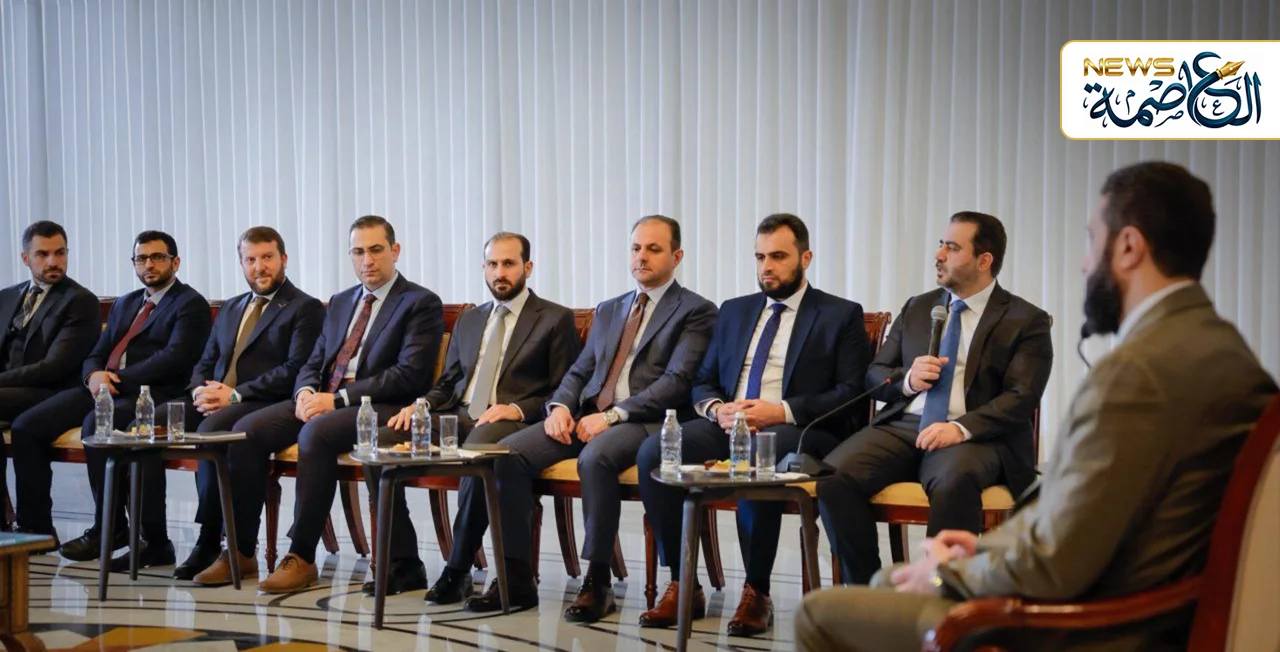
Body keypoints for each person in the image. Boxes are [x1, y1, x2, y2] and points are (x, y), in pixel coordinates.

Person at [795, 161, 1279, 652]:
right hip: (1130, 599)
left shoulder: (1137, 375)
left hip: (1086, 626)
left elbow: (1057, 556)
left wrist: (950, 574)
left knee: (821, 613)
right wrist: (983, 547)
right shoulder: (1223, 352)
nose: (1085, 264)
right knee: (878, 569)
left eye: (1092, 241)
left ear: (1129, 246)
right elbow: (1082, 517)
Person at [450, 215, 717, 622]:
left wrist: (612, 416)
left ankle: (597, 581)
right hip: (587, 416)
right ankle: (517, 577)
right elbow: (579, 371)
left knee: (595, 458)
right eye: (636, 248)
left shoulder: (696, 311)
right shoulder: (610, 309)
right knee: (506, 455)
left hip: (647, 421)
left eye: (653, 249)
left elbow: (676, 382)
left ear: (676, 256)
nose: (641, 257)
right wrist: (559, 407)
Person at [636, 213, 872, 636]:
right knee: (655, 452)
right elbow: (704, 380)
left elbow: (851, 393)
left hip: (797, 429)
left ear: (805, 258)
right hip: (730, 424)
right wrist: (716, 410)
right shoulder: (735, 311)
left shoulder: (840, 314)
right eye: (760, 257)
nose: (767, 266)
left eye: (778, 256)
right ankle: (682, 581)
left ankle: (756, 590)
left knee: (762, 453)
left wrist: (780, 410)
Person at [818, 211, 1053, 586]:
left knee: (954, 480)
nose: (939, 254)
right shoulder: (918, 307)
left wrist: (959, 429)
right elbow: (875, 373)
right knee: (833, 477)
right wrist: (908, 381)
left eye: (952, 247)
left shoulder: (1026, 319)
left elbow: (1022, 396)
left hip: (975, 436)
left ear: (984, 260)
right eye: (941, 244)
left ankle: (938, 597)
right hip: (905, 425)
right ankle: (869, 591)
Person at [364, 232, 580, 598]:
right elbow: (448, 383)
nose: (500, 272)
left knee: (478, 449)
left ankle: (458, 568)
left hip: (511, 419)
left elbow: (564, 389)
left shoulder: (554, 318)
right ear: (483, 267)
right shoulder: (470, 319)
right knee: (378, 443)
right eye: (492, 264)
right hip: (459, 415)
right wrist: (421, 405)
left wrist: (515, 408)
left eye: (509, 263)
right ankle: (404, 564)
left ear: (527, 267)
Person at [249, 215, 443, 594]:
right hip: (326, 399)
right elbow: (315, 359)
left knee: (316, 433)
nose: (366, 260)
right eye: (358, 252)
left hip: (384, 405)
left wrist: (337, 399)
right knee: (251, 430)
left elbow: (409, 375)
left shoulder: (420, 302)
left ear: (395, 251)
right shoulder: (340, 302)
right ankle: (236, 547)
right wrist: (305, 392)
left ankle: (301, 554)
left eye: (376, 250)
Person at [11, 231, 211, 565]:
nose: (149, 264)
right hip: (106, 388)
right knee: (28, 426)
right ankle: (36, 530)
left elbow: (175, 358)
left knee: (98, 422)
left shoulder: (190, 304)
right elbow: (98, 351)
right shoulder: (127, 302)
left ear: (175, 262)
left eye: (157, 257)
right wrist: (92, 375)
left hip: (153, 392)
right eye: (141, 258)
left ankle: (110, 527)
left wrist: (115, 380)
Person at [169, 226, 325, 585]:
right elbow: (205, 361)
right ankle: (148, 536)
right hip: (219, 398)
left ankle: (215, 540)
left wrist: (234, 395)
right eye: (250, 259)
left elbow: (295, 370)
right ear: (241, 263)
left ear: (283, 259)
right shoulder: (231, 307)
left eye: (267, 257)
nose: (259, 266)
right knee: (149, 422)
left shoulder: (304, 307)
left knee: (212, 430)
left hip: (264, 399)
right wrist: (199, 391)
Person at [0, 222, 100, 534]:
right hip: (12, 390)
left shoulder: (79, 300)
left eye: (59, 253)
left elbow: (54, 367)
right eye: (42, 254)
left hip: (54, 390)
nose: (53, 261)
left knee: (25, 426)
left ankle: (36, 530)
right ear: (25, 258)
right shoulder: (6, 297)